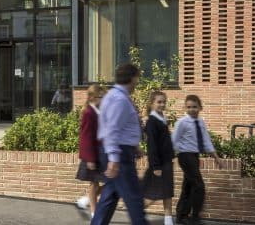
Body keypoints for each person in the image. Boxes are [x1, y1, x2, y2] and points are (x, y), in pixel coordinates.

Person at [92, 62, 146, 225]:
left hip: (119, 151)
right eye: (137, 77)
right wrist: (114, 159)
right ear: (132, 78)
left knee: (109, 197)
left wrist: (134, 146)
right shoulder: (119, 99)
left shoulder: (114, 96)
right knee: (134, 199)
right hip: (119, 155)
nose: (138, 81)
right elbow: (112, 130)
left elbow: (118, 128)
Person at [172, 94, 223, 225]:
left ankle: (181, 216)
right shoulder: (182, 122)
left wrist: (216, 157)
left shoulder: (200, 122)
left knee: (188, 187)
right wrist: (173, 154)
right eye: (189, 107)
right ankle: (195, 217)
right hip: (185, 156)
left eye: (194, 107)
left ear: (200, 107)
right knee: (199, 186)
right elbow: (174, 141)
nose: (192, 109)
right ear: (185, 107)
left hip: (194, 156)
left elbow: (206, 140)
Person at [142, 90, 176, 225]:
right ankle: (136, 212)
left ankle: (168, 220)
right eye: (159, 102)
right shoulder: (152, 121)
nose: (162, 104)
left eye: (164, 102)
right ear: (152, 103)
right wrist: (155, 166)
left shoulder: (162, 118)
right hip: (159, 164)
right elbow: (152, 145)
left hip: (167, 161)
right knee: (154, 195)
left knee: (167, 192)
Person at [75, 83, 106, 214]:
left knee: (111, 182)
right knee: (94, 183)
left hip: (103, 152)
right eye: (101, 97)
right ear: (93, 97)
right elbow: (86, 137)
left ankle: (87, 199)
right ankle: (94, 213)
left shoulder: (100, 111)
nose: (104, 100)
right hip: (93, 154)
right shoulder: (89, 113)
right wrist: (90, 159)